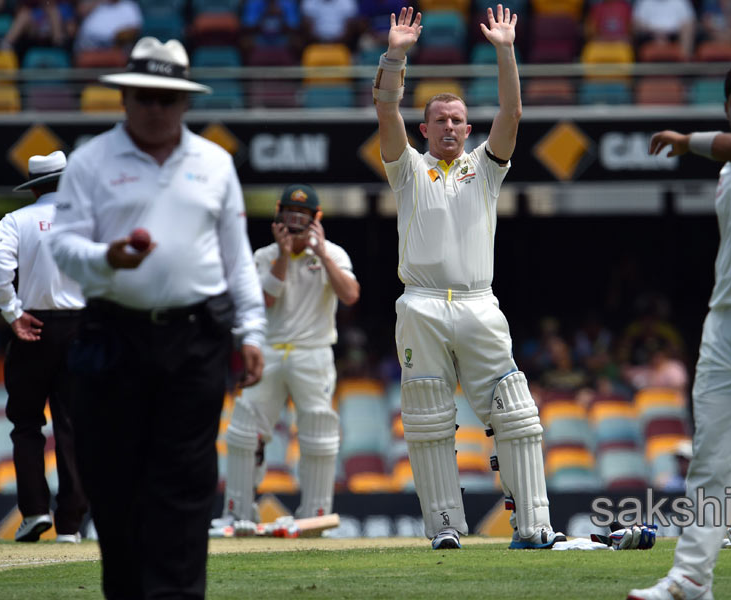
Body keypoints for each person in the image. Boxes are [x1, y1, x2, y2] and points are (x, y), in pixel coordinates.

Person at [49, 37, 265, 599]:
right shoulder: (91, 161)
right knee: (113, 483)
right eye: (144, 96)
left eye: (167, 99)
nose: (155, 109)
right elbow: (65, 247)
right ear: (125, 99)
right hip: (113, 336)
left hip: (196, 340)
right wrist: (108, 258)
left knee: (186, 484)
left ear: (185, 104)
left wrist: (252, 331)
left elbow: (236, 256)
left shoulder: (215, 163)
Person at [374, 5, 566, 550]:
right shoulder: (407, 168)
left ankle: (533, 526)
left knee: (518, 412)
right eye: (442, 120)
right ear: (426, 128)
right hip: (422, 303)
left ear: (468, 127)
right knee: (429, 419)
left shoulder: (485, 167)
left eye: (459, 119)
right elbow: (385, 112)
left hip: (480, 303)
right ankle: (444, 530)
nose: (452, 126)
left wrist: (505, 48)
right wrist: (395, 56)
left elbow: (514, 109)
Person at [628, 64, 731, 599]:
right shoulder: (727, 168)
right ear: (727, 107)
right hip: (723, 320)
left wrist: (688, 140)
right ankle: (691, 578)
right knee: (709, 456)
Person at [214, 184, 359, 530]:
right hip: (269, 350)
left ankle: (316, 516)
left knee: (319, 434)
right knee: (244, 432)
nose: (295, 223)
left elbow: (350, 295)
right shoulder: (264, 255)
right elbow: (264, 301)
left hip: (314, 353)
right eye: (290, 216)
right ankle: (237, 514)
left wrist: (321, 254)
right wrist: (283, 254)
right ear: (278, 217)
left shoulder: (333, 254)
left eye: (303, 217)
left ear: (315, 220)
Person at [0, 151, 88, 544]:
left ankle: (33, 513)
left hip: (33, 327)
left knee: (26, 423)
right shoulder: (85, 220)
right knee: (72, 425)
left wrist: (12, 312)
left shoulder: (16, 220)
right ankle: (71, 525)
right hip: (79, 327)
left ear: (34, 188)